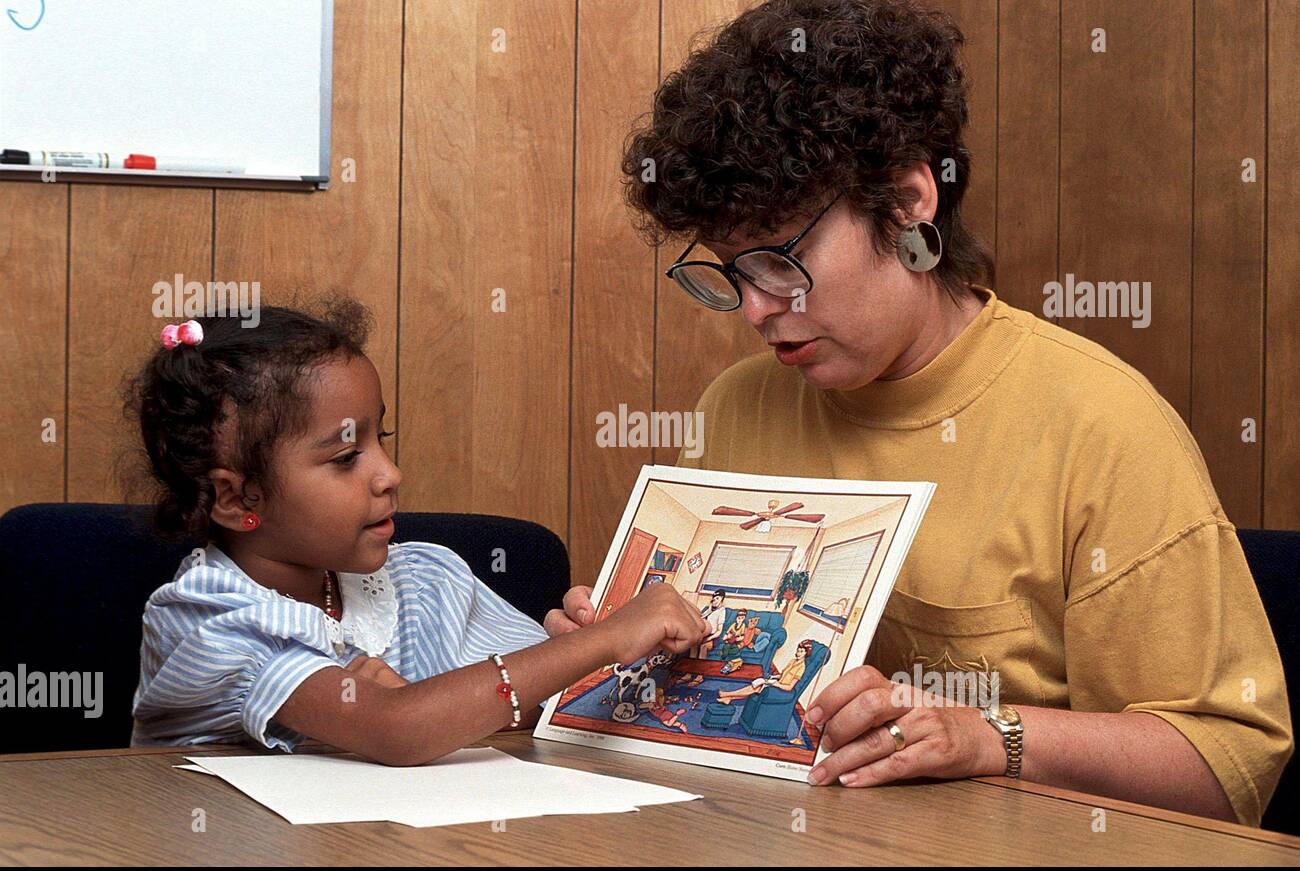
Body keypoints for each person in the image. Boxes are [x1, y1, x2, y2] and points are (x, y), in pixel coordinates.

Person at [543, 0, 1292, 825]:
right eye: (730, 271)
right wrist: (612, 654)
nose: (756, 310)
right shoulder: (737, 408)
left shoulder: (1103, 425)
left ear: (907, 205)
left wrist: (991, 736)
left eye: (781, 262)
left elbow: (1228, 762)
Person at [126, 301, 709, 765]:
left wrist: (583, 643)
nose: (390, 475)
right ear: (236, 499)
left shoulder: (426, 577)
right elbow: (397, 730)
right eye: (346, 457)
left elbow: (546, 707)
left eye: (384, 439)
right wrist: (602, 643)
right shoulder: (209, 618)